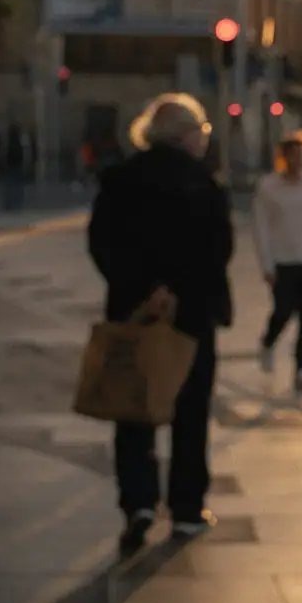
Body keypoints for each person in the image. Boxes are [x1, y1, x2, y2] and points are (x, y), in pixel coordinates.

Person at [87, 92, 235, 554]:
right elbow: (217, 250)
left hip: (133, 313)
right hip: (189, 317)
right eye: (201, 133)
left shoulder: (119, 179)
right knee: (190, 413)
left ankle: (139, 503)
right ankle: (187, 508)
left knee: (132, 406)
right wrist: (176, 290)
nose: (202, 141)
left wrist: (143, 288)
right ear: (187, 135)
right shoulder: (204, 184)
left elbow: (102, 243)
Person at [253, 131, 302, 389]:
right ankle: (267, 341)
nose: (298, 160)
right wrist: (266, 264)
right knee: (283, 310)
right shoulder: (268, 188)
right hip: (282, 262)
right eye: (293, 155)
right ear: (284, 157)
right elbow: (261, 228)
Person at [1, 123, 31, 211]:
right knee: (17, 186)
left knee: (11, 186)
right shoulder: (19, 142)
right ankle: (16, 203)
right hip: (17, 165)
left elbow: (6, 155)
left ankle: (10, 204)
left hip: (11, 166)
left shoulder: (9, 142)